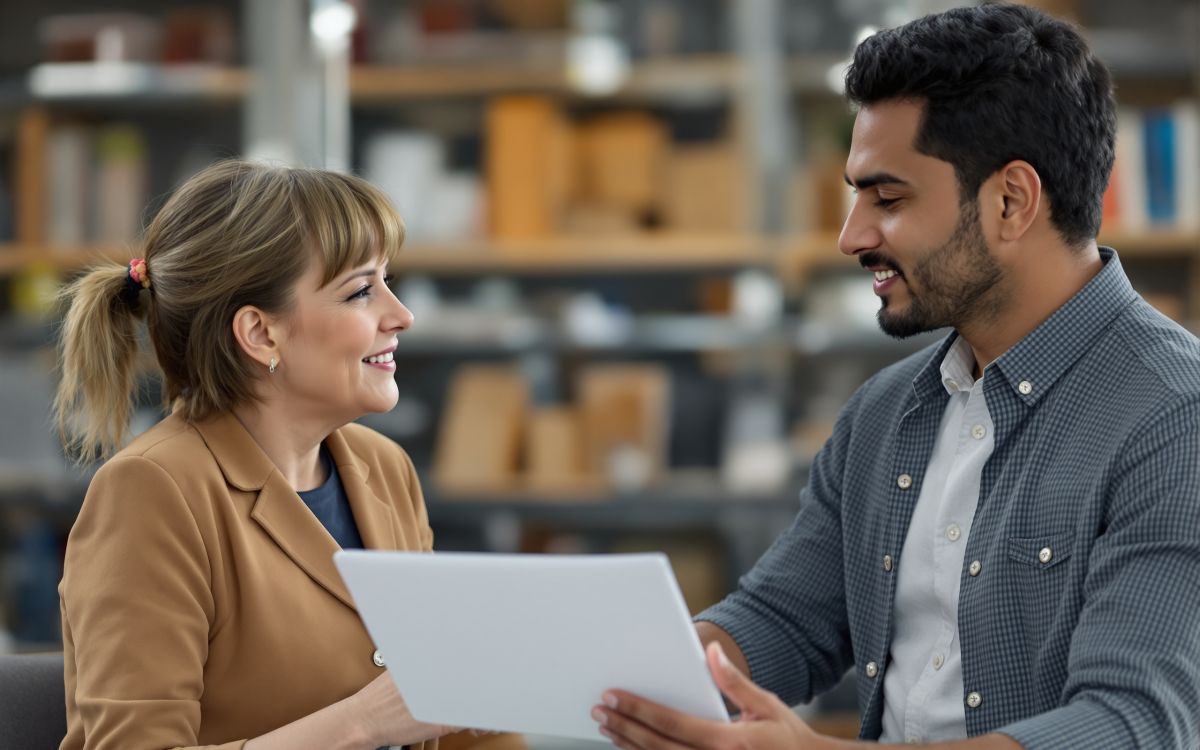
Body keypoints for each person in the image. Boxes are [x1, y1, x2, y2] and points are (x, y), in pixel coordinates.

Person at [593, 4, 1200, 749]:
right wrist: (611, 678)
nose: (852, 236)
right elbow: (786, 618)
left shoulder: (1174, 416)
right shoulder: (885, 414)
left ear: (1012, 201)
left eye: (888, 198)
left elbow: (1133, 725)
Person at [54, 160, 525, 750]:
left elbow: (455, 719)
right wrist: (364, 722)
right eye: (360, 291)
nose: (401, 315)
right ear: (260, 334)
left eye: (388, 281)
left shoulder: (384, 468)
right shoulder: (152, 491)